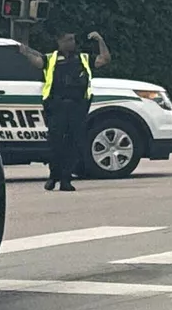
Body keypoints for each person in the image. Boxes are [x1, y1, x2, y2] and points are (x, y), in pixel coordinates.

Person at [20, 31, 110, 191]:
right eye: (68, 40)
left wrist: (100, 40)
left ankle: (66, 180)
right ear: (59, 42)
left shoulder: (83, 58)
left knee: (73, 145)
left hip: (77, 107)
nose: (71, 43)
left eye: (73, 40)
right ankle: (53, 176)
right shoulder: (50, 59)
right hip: (56, 107)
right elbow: (37, 62)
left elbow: (104, 59)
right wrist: (26, 52)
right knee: (55, 145)